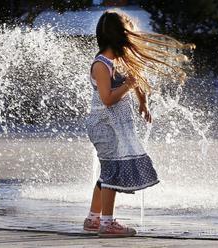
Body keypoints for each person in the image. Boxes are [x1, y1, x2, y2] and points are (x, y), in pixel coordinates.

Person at [83, 11, 194, 238]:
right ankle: (107, 223)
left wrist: (143, 103)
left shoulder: (120, 61)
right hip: (104, 126)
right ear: (120, 37)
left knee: (107, 173)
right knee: (111, 173)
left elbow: (136, 80)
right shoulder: (101, 65)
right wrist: (129, 85)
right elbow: (107, 98)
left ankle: (93, 219)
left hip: (116, 126)